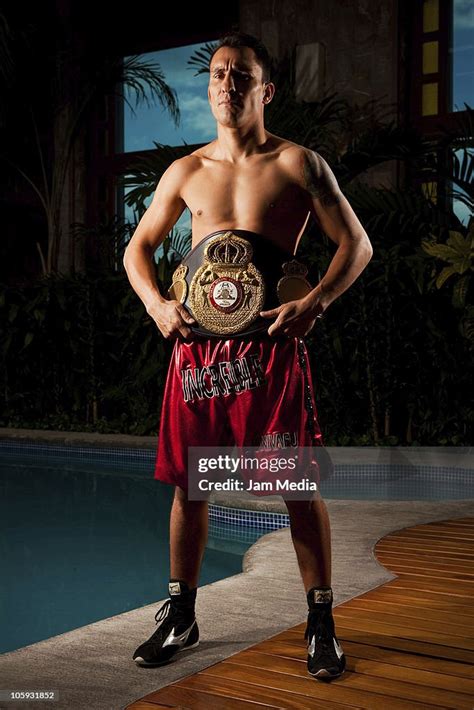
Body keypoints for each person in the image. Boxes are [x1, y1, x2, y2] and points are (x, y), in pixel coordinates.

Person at [123, 30, 373, 681]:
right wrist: (155, 304)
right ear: (209, 88)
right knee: (192, 486)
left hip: (270, 352)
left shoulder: (297, 164)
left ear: (265, 89)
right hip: (199, 357)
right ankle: (181, 614)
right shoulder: (186, 172)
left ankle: (321, 624)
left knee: (292, 487)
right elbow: (137, 249)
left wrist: (315, 302)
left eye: (241, 75)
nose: (227, 84)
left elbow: (357, 245)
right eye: (218, 74)